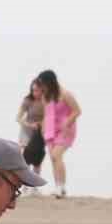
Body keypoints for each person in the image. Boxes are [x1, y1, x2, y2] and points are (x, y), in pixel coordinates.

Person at [36, 70, 82, 199]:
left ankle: (61, 187)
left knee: (57, 155)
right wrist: (43, 130)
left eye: (43, 83)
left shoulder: (66, 94)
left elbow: (77, 111)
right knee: (53, 158)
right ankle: (58, 188)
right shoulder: (46, 96)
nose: (41, 86)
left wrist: (67, 122)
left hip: (65, 129)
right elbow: (46, 114)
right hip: (51, 131)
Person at [17, 80, 46, 185]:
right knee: (25, 158)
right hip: (26, 131)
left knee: (38, 158)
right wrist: (30, 125)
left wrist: (42, 124)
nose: (36, 93)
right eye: (33, 90)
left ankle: (35, 186)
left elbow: (50, 117)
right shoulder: (28, 100)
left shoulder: (46, 101)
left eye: (38, 90)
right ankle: (24, 185)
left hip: (40, 133)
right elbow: (19, 118)